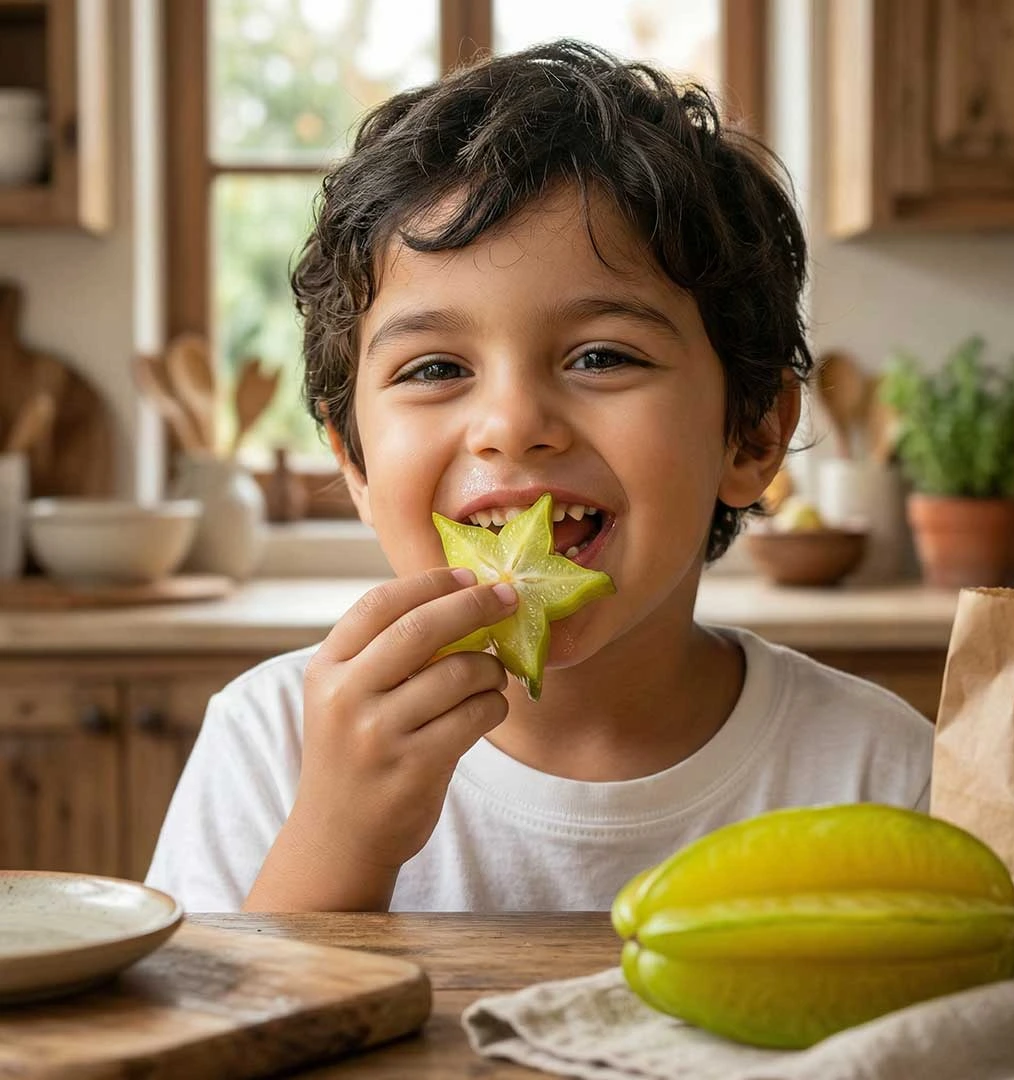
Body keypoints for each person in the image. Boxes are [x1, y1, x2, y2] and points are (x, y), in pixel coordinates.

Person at [146, 40, 931, 913]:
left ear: (750, 436)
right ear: (354, 463)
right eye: (436, 369)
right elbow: (213, 1042)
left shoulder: (884, 769)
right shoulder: (268, 743)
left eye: (601, 356)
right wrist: (340, 837)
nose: (511, 424)